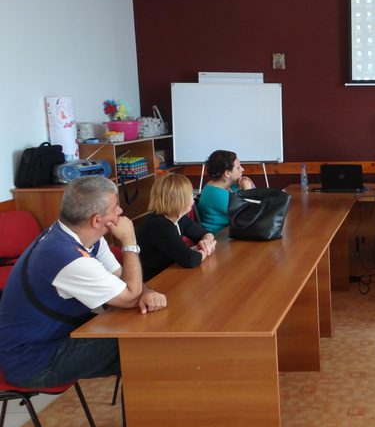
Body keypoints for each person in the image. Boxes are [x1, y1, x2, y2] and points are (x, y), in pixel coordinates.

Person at [0, 176, 167, 389]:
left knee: (142, 333)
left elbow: (123, 278)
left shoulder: (82, 238)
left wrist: (147, 291)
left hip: (56, 334)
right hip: (32, 360)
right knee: (141, 346)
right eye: (115, 207)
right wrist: (129, 242)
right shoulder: (69, 258)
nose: (120, 211)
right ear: (97, 220)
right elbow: (130, 297)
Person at [137, 173, 217, 282]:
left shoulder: (177, 217)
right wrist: (206, 251)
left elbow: (205, 233)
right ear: (179, 200)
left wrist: (206, 242)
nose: (193, 199)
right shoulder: (160, 225)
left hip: (171, 272)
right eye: (190, 194)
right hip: (155, 281)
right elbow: (190, 260)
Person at [197, 149, 254, 234]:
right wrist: (247, 186)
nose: (243, 169)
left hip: (228, 233)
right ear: (227, 173)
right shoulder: (216, 193)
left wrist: (241, 186)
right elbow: (250, 215)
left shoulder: (217, 185)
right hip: (218, 237)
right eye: (238, 167)